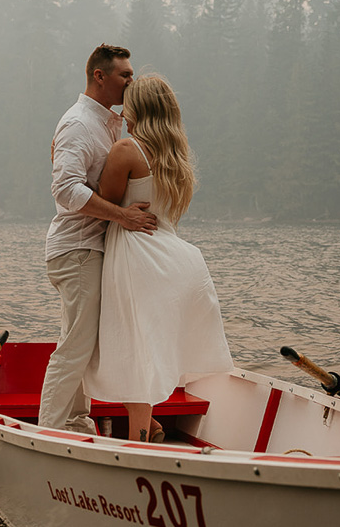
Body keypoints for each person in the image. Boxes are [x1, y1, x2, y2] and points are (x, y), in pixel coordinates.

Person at [84, 74, 233, 442]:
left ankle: (139, 443)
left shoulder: (126, 151)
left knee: (133, 355)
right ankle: (149, 426)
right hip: (175, 260)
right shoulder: (176, 157)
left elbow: (102, 202)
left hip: (136, 255)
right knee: (143, 350)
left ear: (138, 108)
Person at [39, 44, 158, 433]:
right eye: (125, 75)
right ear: (99, 76)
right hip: (76, 248)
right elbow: (66, 190)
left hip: (91, 248)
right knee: (76, 346)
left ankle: (75, 422)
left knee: (81, 343)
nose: (131, 81)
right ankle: (52, 431)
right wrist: (122, 215)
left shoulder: (107, 123)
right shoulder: (78, 123)